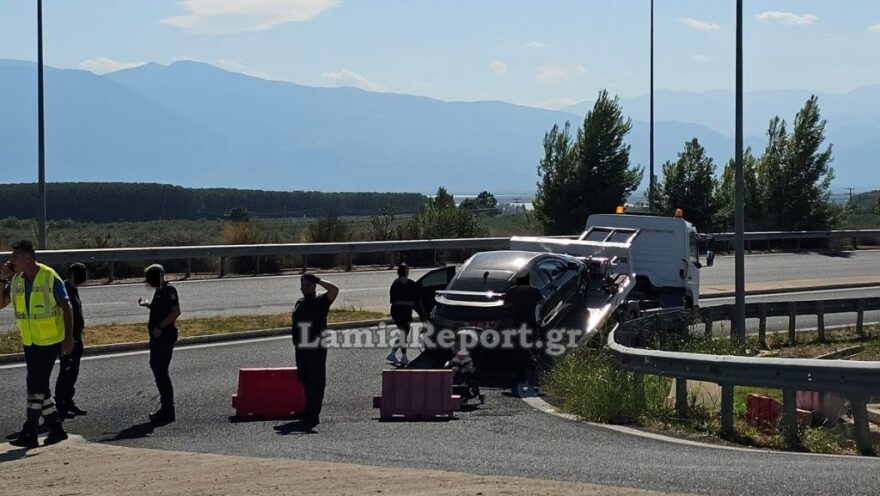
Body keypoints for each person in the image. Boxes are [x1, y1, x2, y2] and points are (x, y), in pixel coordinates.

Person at [0, 240, 73, 447]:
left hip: (50, 340)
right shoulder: (17, 280)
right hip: (30, 340)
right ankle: (56, 429)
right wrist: (1, 279)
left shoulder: (49, 276)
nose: (11, 260)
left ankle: (29, 431)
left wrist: (68, 338)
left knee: (35, 384)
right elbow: (1, 303)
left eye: (15, 256)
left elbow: (66, 307)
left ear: (29, 258)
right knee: (40, 386)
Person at [291, 272, 339, 427]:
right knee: (305, 380)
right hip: (301, 348)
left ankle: (313, 414)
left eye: (307, 284)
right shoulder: (300, 302)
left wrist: (318, 280)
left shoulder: (320, 301)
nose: (304, 287)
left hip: (316, 348)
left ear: (314, 286)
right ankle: (308, 411)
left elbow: (334, 290)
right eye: (302, 284)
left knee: (316, 382)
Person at [137, 264, 181, 424]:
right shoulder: (159, 290)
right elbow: (162, 308)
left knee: (161, 371)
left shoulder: (169, 290)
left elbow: (175, 312)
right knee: (157, 369)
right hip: (157, 337)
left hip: (165, 336)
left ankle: (168, 409)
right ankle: (165, 406)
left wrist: (160, 327)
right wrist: (148, 304)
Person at [55, 263, 89, 418]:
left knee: (73, 371)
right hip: (69, 338)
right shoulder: (65, 289)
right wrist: (68, 337)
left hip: (77, 335)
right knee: (66, 371)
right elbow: (64, 314)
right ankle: (60, 404)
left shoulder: (74, 288)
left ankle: (68, 400)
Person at [504, 274, 545, 383]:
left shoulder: (512, 290)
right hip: (531, 323)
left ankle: (521, 373)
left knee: (519, 348)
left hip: (517, 323)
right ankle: (532, 370)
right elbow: (542, 301)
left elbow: (506, 305)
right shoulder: (534, 290)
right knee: (531, 346)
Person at [386, 263, 424, 366]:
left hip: (407, 313)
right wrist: (408, 303)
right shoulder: (396, 284)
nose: (407, 271)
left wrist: (422, 312)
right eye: (406, 269)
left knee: (404, 333)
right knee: (403, 333)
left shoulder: (411, 283)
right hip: (397, 313)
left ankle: (393, 354)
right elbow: (394, 301)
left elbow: (418, 298)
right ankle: (403, 356)